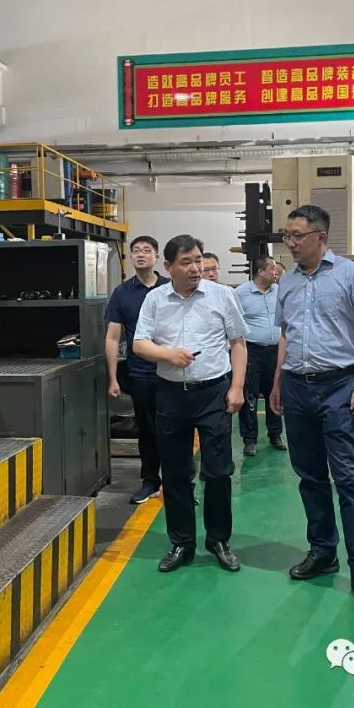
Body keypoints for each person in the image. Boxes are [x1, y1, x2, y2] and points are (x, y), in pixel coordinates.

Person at [268, 205, 354, 607]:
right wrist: (278, 380)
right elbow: (286, 333)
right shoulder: (287, 280)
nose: (290, 243)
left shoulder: (350, 274)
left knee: (349, 477)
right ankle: (322, 551)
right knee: (310, 475)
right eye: (288, 235)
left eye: (297, 236)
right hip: (297, 387)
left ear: (321, 237)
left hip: (339, 385)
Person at [133, 235, 248, 573]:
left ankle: (218, 539)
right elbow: (139, 343)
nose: (196, 268)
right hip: (170, 395)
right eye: (186, 262)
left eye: (198, 260)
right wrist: (168, 354)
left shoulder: (222, 295)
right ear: (169, 267)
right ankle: (182, 542)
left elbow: (238, 343)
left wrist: (237, 387)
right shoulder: (155, 299)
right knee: (175, 472)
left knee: (218, 470)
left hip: (214, 392)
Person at [105, 235, 170, 504]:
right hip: (141, 372)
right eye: (136, 251)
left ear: (157, 257)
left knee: (175, 427)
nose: (141, 254)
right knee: (147, 429)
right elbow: (112, 337)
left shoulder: (170, 288)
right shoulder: (122, 293)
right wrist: (113, 378)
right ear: (131, 257)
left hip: (172, 371)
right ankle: (150, 481)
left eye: (147, 250)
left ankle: (179, 481)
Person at [235, 255, 285, 455]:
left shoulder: (279, 292)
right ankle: (249, 439)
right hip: (251, 352)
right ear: (260, 272)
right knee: (250, 396)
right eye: (272, 268)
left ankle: (276, 434)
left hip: (276, 352)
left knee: (276, 391)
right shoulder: (240, 294)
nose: (276, 271)